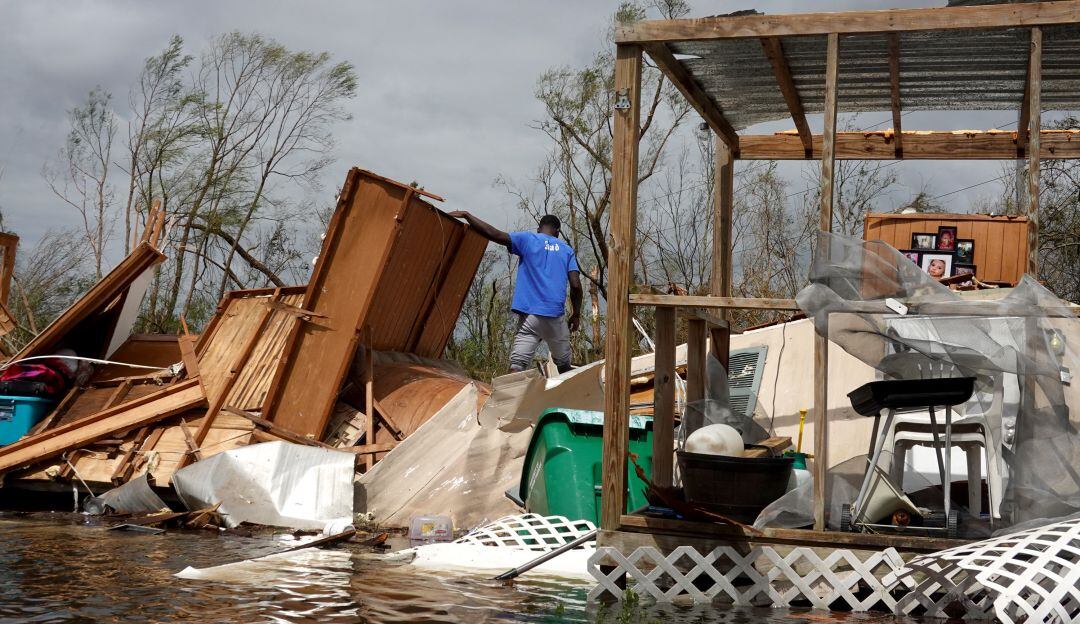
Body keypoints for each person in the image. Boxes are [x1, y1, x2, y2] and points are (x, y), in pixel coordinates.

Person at [447, 211, 582, 373]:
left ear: (539, 229)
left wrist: (467, 216)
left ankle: (510, 396)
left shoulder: (528, 239)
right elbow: (575, 285)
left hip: (530, 318)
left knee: (517, 366)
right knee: (564, 367)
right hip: (555, 317)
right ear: (558, 232)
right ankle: (567, 395)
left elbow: (494, 234)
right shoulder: (566, 250)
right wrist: (576, 314)